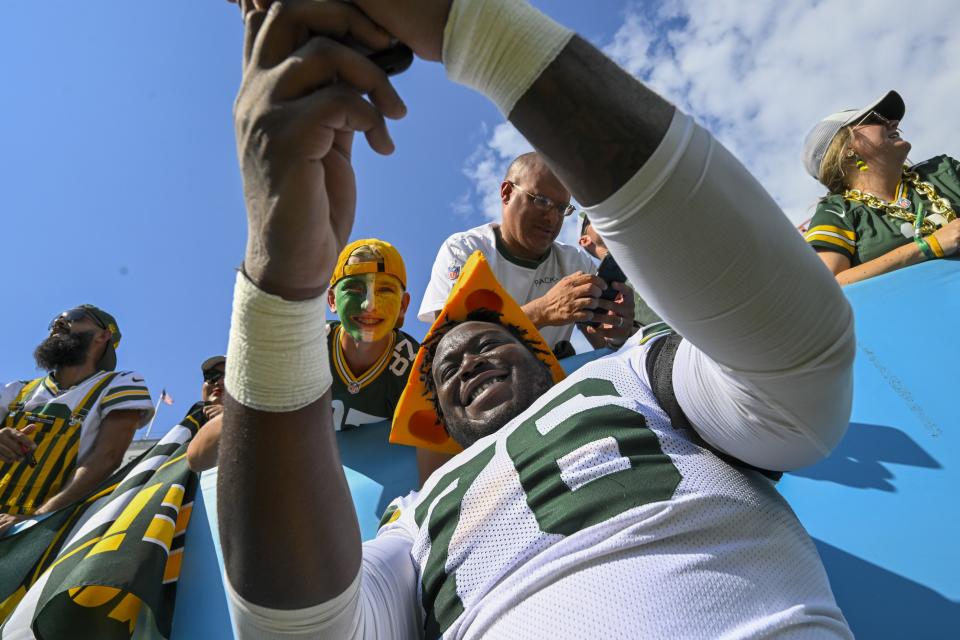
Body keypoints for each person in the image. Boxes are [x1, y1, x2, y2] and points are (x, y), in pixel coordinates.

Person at [219, 0, 855, 638]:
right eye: (444, 366)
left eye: (489, 341)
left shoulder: (637, 382)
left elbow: (799, 364)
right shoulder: (414, 523)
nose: (465, 357)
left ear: (540, 356)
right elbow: (299, 630)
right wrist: (281, 281)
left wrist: (469, 24)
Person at [419, 151, 636, 356]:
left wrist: (617, 334)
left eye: (561, 209)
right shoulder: (463, 250)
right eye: (541, 201)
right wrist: (541, 311)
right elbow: (450, 346)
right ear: (506, 193)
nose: (551, 218)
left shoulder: (575, 263)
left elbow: (606, 347)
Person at [0, 305, 153, 534]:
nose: (59, 323)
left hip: (47, 534)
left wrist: (36, 520)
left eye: (74, 317)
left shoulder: (120, 384)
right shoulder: (14, 390)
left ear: (104, 335)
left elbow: (106, 458)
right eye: (56, 320)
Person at [802, 90, 960, 285]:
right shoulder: (836, 211)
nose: (893, 123)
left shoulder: (943, 171)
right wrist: (928, 246)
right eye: (875, 118)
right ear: (846, 148)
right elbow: (828, 284)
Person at [326, 239, 419, 431]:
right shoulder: (302, 347)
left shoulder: (417, 370)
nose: (369, 305)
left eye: (384, 290)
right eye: (353, 288)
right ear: (332, 300)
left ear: (403, 305)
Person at [579, 214, 662, 328]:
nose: (604, 216)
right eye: (593, 217)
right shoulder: (603, 295)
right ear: (585, 240)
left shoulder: (652, 248)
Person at [186, 355, 227, 472]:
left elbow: (196, 459)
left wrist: (230, 416)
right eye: (212, 376)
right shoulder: (186, 427)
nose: (219, 382)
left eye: (230, 376)